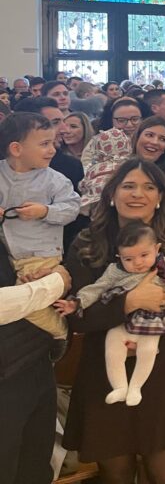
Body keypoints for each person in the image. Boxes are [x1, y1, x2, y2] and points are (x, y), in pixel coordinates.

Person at [64, 159, 165, 482]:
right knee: (116, 473)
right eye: (128, 186)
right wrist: (128, 303)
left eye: (148, 187)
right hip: (105, 370)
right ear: (111, 194)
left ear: (160, 196)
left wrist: (158, 330)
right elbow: (75, 315)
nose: (138, 194)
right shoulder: (87, 243)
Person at [55, 221, 165, 406]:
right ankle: (120, 386)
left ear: (156, 248)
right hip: (122, 319)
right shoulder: (115, 271)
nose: (137, 262)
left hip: (153, 318)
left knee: (149, 350)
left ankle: (136, 387)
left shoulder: (163, 264)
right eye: (128, 259)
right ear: (119, 256)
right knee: (112, 346)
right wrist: (77, 302)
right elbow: (97, 288)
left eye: (144, 255)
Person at [0, 112, 80, 342]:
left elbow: (73, 207)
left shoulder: (55, 180)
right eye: (44, 144)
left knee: (28, 301)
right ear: (16, 149)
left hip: (40, 255)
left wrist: (44, 211)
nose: (53, 150)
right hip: (7, 253)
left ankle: (62, 334)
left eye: (53, 142)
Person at [0, 252, 72, 484]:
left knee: (35, 470)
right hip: (7, 378)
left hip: (35, 361)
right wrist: (55, 283)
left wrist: (48, 270)